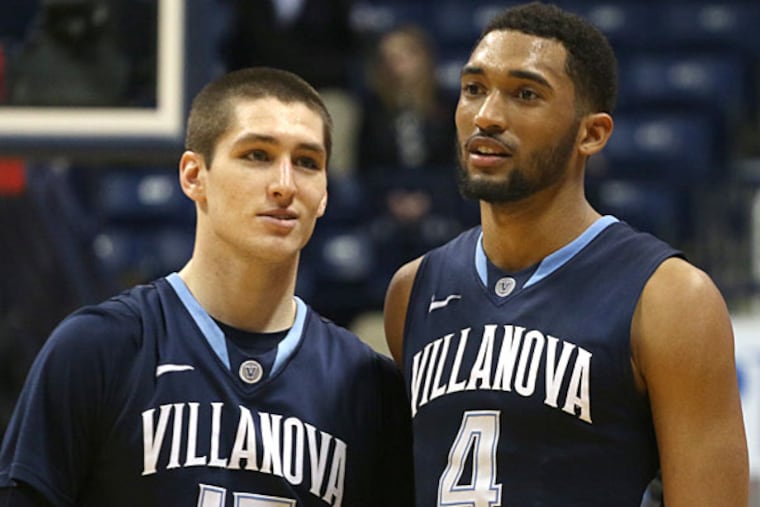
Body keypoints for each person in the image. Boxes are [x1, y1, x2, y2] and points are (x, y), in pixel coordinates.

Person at [383, 3, 749, 506]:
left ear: (591, 133)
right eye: (474, 89)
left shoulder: (669, 298)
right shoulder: (412, 291)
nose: (487, 116)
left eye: (525, 94)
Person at [0, 67, 414, 507]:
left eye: (307, 162)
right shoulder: (97, 348)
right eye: (257, 155)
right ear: (194, 176)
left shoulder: (369, 387)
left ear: (325, 193)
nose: (284, 185)